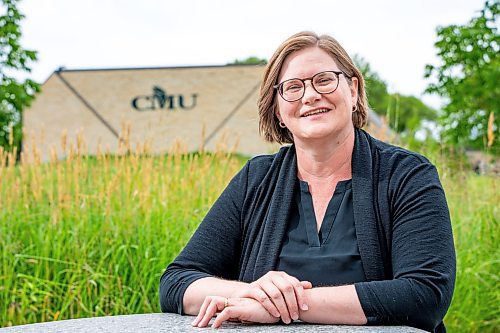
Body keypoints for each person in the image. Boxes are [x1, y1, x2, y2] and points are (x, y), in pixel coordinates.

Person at [159, 31, 456, 332]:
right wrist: (250, 294)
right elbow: (176, 282)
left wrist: (286, 306)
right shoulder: (255, 179)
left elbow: (425, 293)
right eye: (293, 87)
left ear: (353, 90)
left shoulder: (407, 175)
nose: (310, 95)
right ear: (278, 111)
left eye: (324, 80)